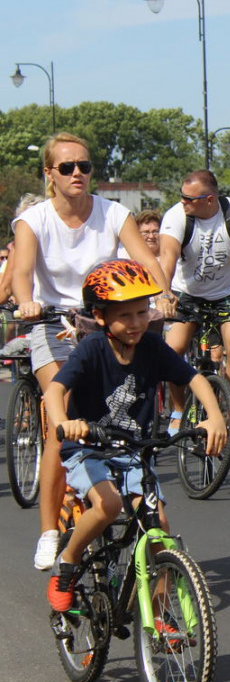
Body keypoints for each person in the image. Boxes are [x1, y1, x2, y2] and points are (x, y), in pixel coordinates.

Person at [13, 132, 173, 572]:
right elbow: (22, 273)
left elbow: (145, 259)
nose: (78, 173)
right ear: (50, 174)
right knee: (61, 416)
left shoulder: (113, 213)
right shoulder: (34, 220)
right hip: (54, 323)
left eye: (84, 166)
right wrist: (26, 300)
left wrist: (161, 294)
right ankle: (49, 531)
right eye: (67, 167)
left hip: (105, 320)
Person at [43, 260, 226, 611]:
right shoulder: (91, 348)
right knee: (109, 505)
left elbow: (193, 379)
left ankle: (159, 619)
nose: (138, 323)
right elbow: (54, 391)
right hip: (87, 449)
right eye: (126, 315)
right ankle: (67, 561)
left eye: (143, 312)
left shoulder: (152, 348)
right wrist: (64, 422)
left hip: (132, 451)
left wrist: (215, 417)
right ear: (100, 316)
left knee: (159, 530)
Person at [159, 170, 230, 427]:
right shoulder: (177, 216)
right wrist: (164, 295)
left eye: (189, 198)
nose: (183, 202)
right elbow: (167, 259)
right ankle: (177, 411)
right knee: (173, 349)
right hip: (187, 292)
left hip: (226, 293)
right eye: (181, 197)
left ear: (210, 199)